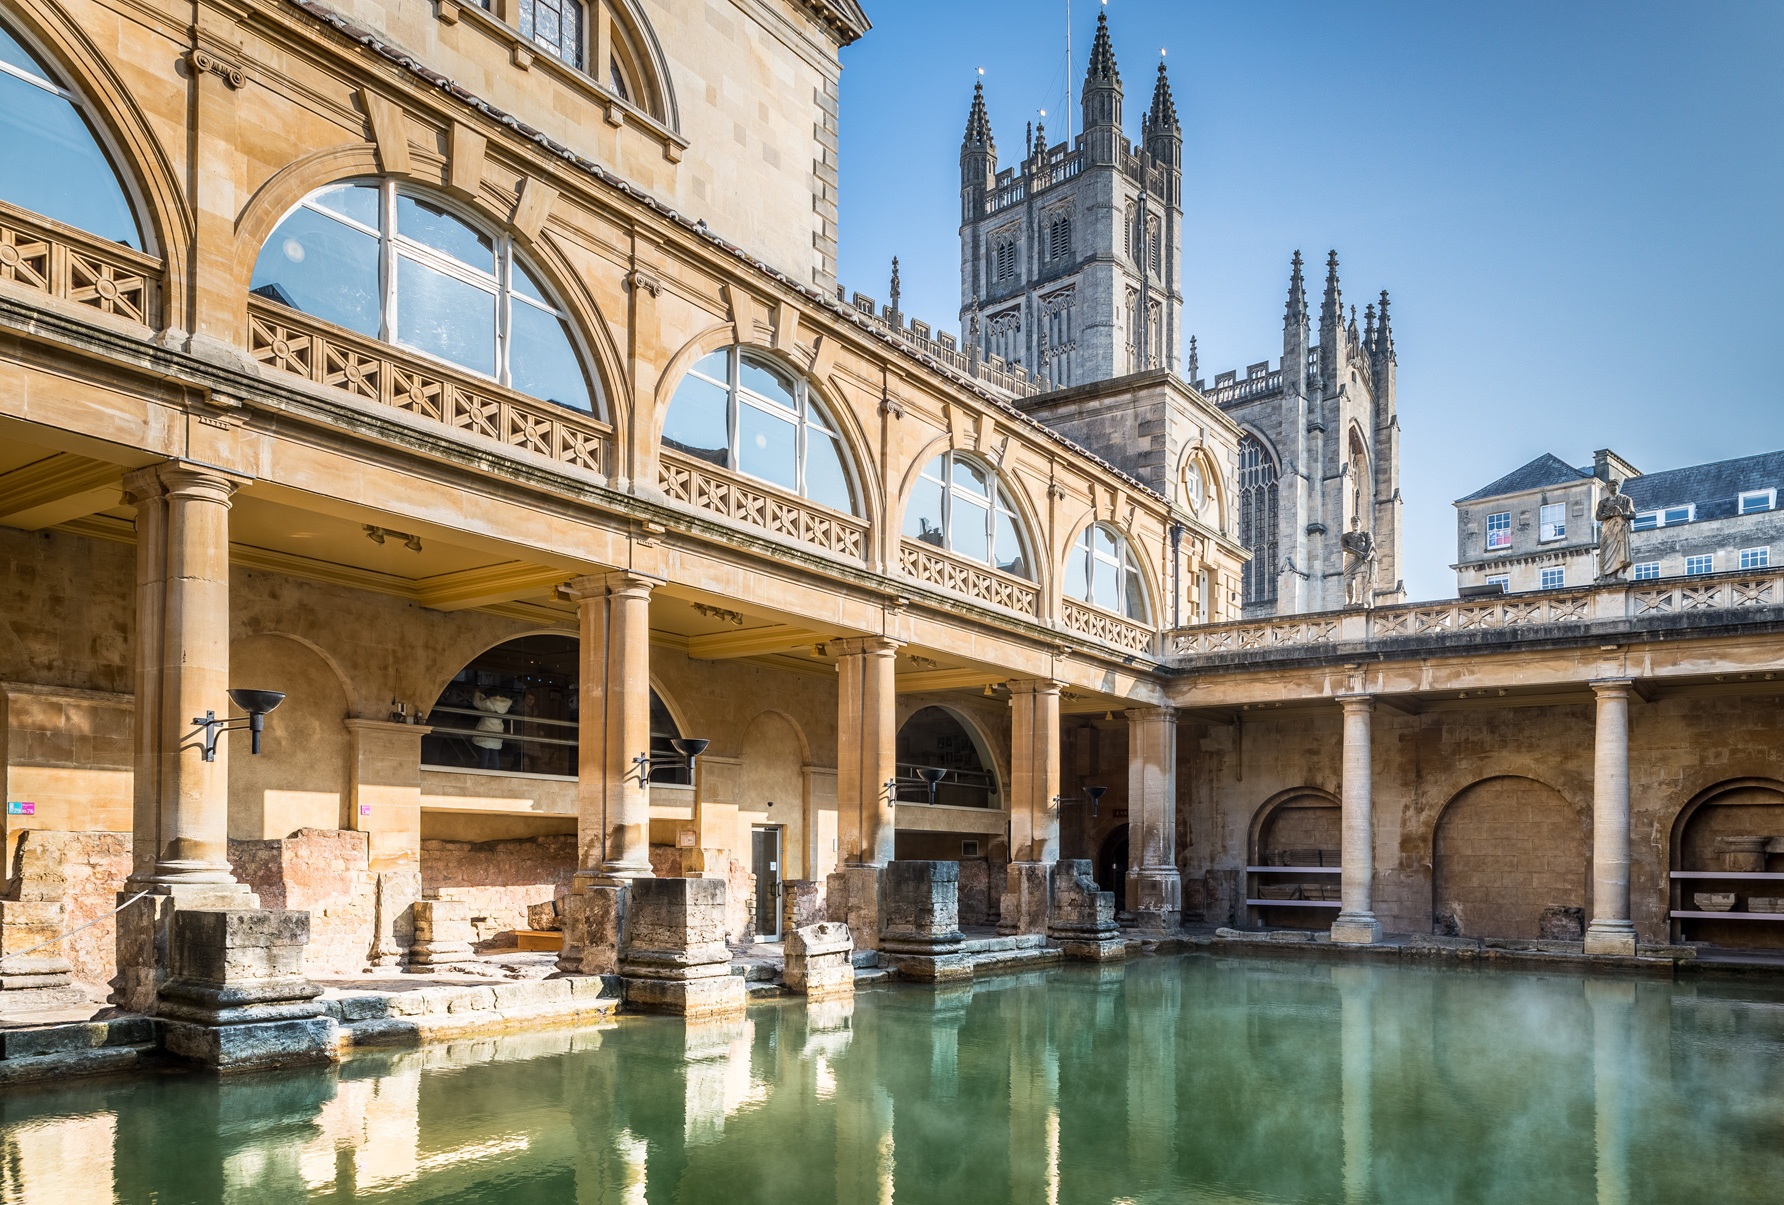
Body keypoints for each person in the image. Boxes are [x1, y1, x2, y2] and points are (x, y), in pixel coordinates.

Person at [1596, 480, 1635, 582]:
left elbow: (1633, 514)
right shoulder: (1603, 502)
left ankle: (1620, 572)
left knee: (1620, 549)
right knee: (1604, 550)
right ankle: (1603, 574)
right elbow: (1598, 516)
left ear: (1618, 486)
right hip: (1608, 529)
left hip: (1621, 527)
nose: (1613, 487)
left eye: (1614, 485)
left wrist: (1622, 514)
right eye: (1610, 486)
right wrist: (1612, 514)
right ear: (1608, 488)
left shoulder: (1626, 499)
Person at [471, 690, 513, 770]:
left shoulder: (488, 703)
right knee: (495, 753)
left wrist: (477, 694)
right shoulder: (504, 705)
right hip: (498, 731)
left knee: (485, 752)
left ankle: (483, 770)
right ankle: (496, 771)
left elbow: (477, 703)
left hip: (487, 730)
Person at [1342, 516, 1376, 609]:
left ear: (1360, 523)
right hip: (1350, 559)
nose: (1354, 523)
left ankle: (1358, 600)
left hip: (1361, 560)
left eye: (1356, 521)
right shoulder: (1346, 536)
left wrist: (1366, 555)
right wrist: (1358, 553)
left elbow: (1371, 545)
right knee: (1348, 582)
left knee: (1359, 581)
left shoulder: (1366, 534)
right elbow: (1344, 547)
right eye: (1352, 521)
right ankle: (1349, 600)